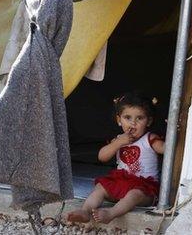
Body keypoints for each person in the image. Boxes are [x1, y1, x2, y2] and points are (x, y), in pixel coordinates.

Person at [66, 92, 165, 224]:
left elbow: (165, 149)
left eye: (139, 118)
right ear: (119, 120)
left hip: (144, 187)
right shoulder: (118, 139)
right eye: (127, 118)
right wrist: (118, 143)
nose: (133, 123)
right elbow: (102, 157)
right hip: (122, 181)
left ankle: (111, 213)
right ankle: (86, 211)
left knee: (134, 194)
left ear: (149, 121)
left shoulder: (150, 139)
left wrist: (174, 133)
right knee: (101, 187)